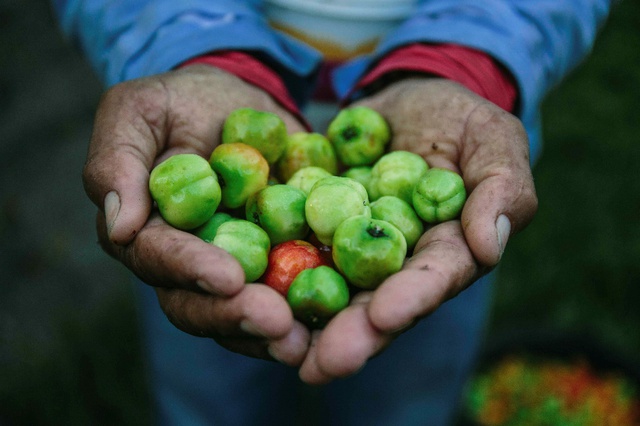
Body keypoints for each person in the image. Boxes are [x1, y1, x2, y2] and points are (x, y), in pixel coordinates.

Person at [52, 0, 611, 424]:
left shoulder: (370, 203)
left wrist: (465, 59)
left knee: (407, 394)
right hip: (213, 79)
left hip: (442, 111)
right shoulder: (259, 203)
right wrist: (189, 46)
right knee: (207, 385)